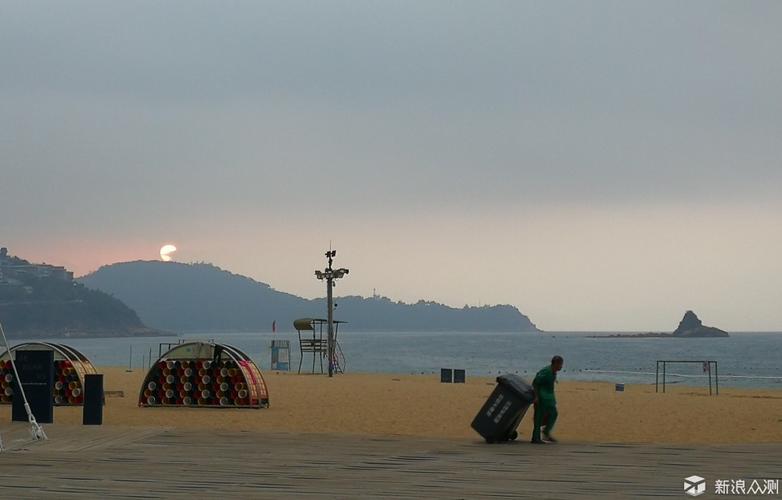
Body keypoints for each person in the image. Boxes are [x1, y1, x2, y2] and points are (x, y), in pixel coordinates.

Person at [531, 355, 563, 444]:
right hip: (541, 397)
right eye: (560, 364)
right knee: (538, 417)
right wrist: (536, 397)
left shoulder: (553, 372)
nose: (561, 366)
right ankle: (535, 438)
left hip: (549, 398)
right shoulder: (546, 372)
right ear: (555, 363)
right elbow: (535, 383)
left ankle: (546, 432)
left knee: (553, 413)